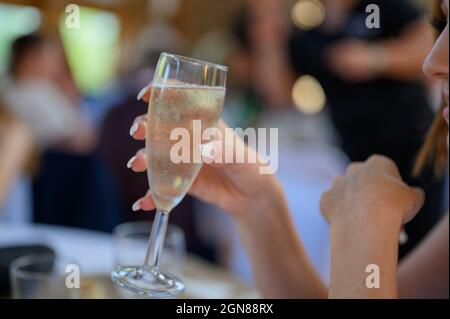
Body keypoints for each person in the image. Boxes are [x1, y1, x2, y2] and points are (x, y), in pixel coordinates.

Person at [128, 0, 449, 298]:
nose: (431, 62)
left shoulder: (382, 7)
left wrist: (372, 58)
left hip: (413, 156)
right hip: (355, 158)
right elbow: (279, 92)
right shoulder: (313, 34)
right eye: (444, 21)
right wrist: (258, 205)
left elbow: (421, 42)